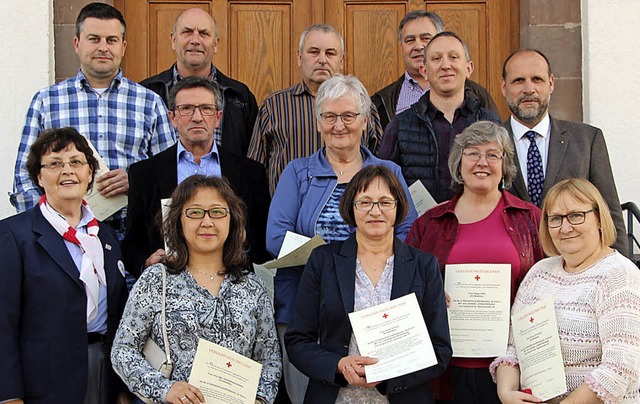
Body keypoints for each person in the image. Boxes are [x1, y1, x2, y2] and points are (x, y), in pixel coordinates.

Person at [267, 74, 418, 403]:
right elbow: (276, 236)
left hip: (376, 305)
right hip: (307, 306)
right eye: (330, 116)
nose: (339, 125)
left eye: (348, 116)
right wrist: (333, 268)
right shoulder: (297, 171)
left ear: (364, 120)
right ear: (318, 121)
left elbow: (408, 232)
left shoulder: (388, 172)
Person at [284, 165, 451, 403]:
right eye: (364, 202)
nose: (375, 211)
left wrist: (388, 377)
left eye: (385, 202)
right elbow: (298, 340)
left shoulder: (424, 265)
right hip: (337, 396)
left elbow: (440, 350)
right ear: (351, 207)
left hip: (404, 395)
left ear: (398, 207)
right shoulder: (323, 261)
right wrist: (338, 365)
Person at [406, 121, 544, 404]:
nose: (483, 162)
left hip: (513, 367)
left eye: (493, 154)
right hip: (445, 368)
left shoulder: (530, 219)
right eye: (473, 153)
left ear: (504, 165)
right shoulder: (429, 224)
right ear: (459, 163)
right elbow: (405, 283)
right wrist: (428, 294)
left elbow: (551, 283)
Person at [10, 2, 175, 237]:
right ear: (77, 43)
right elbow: (24, 179)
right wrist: (49, 229)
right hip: (63, 236)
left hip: (133, 236)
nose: (103, 47)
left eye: (111, 40)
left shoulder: (149, 103)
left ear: (123, 46)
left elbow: (170, 175)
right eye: (94, 39)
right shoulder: (47, 101)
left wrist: (136, 181)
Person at [112, 175, 281, 403]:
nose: (207, 222)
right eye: (195, 212)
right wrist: (165, 389)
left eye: (218, 212)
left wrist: (260, 400)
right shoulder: (156, 280)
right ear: (178, 222)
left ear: (232, 221)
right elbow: (123, 350)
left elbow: (270, 359)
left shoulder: (252, 286)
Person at [0, 127, 128, 403]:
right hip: (44, 382)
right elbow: (3, 323)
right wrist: (9, 396)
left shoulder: (103, 236)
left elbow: (118, 313)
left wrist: (121, 389)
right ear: (39, 176)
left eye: (76, 162)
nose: (67, 171)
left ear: (90, 173)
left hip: (102, 373)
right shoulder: (13, 235)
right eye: (55, 164)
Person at [492, 178, 640, 403]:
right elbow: (512, 346)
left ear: (599, 218)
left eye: (576, 215)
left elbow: (619, 368)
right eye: (556, 219)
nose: (566, 227)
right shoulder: (539, 273)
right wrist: (507, 393)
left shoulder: (619, 275)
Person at [122, 76, 270, 277]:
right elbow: (132, 242)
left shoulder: (251, 172)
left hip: (232, 281)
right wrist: (146, 262)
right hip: (170, 281)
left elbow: (262, 239)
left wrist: (243, 244)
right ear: (172, 118)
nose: (197, 117)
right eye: (187, 109)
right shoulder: (144, 173)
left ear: (218, 117)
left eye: (206, 109)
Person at [501, 48, 628, 255]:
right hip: (512, 272)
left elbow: (610, 214)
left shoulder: (587, 140)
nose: (529, 89)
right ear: (504, 87)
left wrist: (622, 272)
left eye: (537, 79)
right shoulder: (489, 146)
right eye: (518, 81)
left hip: (575, 269)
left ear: (551, 83)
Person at [248, 24, 383, 194]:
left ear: (341, 61)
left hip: (351, 212)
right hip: (290, 213)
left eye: (330, 53)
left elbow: (379, 166)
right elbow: (254, 170)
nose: (322, 59)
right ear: (299, 57)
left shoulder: (363, 105)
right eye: (314, 52)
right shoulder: (274, 106)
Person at [378, 32, 501, 203]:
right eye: (436, 59)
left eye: (453, 57)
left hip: (477, 225)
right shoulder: (400, 127)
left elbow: (504, 183)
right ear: (424, 71)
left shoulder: (490, 124)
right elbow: (383, 186)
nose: (445, 65)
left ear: (469, 68)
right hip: (419, 227)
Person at [141, 8, 257, 156]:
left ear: (215, 44)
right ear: (173, 40)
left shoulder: (240, 96)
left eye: (204, 33)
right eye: (187, 32)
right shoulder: (148, 93)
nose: (195, 40)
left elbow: (251, 160)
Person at [372, 10, 499, 131]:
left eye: (426, 38)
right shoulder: (381, 101)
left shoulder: (477, 95)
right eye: (410, 40)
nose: (418, 46)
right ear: (401, 46)